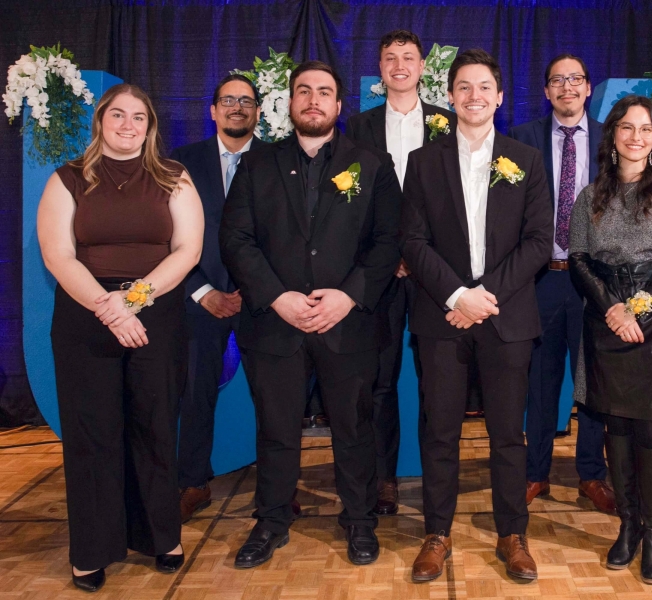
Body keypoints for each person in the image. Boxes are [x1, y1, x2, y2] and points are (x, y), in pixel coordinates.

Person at [220, 60, 402, 569]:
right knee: (276, 428)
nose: (313, 99)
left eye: (324, 92)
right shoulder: (258, 164)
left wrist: (349, 296)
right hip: (275, 323)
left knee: (353, 428)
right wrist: (278, 297)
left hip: (349, 324)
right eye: (304, 91)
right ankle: (272, 519)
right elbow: (235, 239)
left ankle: (360, 519)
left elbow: (389, 241)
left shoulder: (372, 163)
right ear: (290, 103)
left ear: (339, 106)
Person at [37, 83, 204, 592]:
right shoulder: (66, 179)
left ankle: (161, 536)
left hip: (155, 311)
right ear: (101, 122)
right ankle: (92, 549)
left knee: (154, 425)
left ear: (150, 127)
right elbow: (59, 256)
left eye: (139, 118)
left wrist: (131, 301)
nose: (128, 125)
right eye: (118, 116)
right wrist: (108, 309)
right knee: (93, 434)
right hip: (86, 316)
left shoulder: (175, 178)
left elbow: (187, 250)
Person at [401, 48, 553, 583]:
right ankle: (436, 533)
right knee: (439, 432)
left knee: (508, 433)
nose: (474, 96)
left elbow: (538, 242)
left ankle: (513, 533)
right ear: (449, 96)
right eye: (463, 87)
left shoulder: (527, 159)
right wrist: (455, 297)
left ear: (500, 96)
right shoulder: (422, 161)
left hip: (507, 317)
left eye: (484, 86)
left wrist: (483, 296)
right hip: (440, 319)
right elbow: (413, 241)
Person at [569, 95, 652, 584]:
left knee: (651, 431)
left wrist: (638, 309)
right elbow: (579, 260)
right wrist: (612, 309)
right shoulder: (591, 196)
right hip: (607, 318)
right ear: (613, 136)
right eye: (626, 127)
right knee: (617, 430)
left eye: (646, 129)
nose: (636, 137)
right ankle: (625, 527)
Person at [345, 29, 456, 516]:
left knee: (438, 380)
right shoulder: (358, 126)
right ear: (381, 68)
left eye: (408, 57)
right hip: (381, 271)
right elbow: (350, 202)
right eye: (390, 58)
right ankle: (383, 478)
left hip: (436, 270)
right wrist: (389, 254)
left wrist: (423, 254)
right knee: (380, 381)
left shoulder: (449, 122)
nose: (399, 65)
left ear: (422, 67)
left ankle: (438, 479)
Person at [508, 53, 613, 513]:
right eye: (557, 80)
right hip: (540, 279)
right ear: (546, 91)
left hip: (595, 281)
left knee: (594, 382)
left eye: (576, 79)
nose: (567, 87)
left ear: (588, 88)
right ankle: (536, 473)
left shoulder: (614, 138)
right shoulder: (521, 140)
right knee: (540, 381)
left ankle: (591, 474)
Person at [170, 73, 264, 523]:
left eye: (246, 101)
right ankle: (193, 481)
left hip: (262, 300)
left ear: (259, 113)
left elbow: (291, 234)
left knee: (275, 395)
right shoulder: (180, 163)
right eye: (228, 100)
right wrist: (203, 291)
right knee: (194, 392)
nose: (237, 108)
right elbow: (166, 233)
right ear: (212, 110)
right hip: (198, 297)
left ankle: (277, 487)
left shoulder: (276, 160)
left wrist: (255, 289)